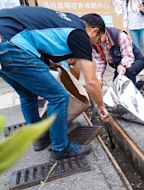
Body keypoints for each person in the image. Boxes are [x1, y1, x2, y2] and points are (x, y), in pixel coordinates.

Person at [0, 7, 110, 161]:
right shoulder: (80, 33)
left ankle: (38, 137)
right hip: (12, 44)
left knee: (27, 94)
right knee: (59, 96)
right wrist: (101, 106)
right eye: (98, 41)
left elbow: (44, 48)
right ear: (94, 31)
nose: (94, 45)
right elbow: (91, 82)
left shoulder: (67, 21)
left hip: (5, 41)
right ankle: (60, 148)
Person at [87, 15, 144, 96]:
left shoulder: (120, 36)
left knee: (127, 75)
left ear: (102, 32)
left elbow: (128, 57)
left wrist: (122, 65)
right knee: (116, 88)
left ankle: (132, 99)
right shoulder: (94, 43)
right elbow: (100, 63)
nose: (97, 43)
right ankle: (142, 84)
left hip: (135, 60)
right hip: (119, 65)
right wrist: (99, 79)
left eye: (99, 40)